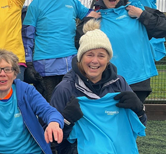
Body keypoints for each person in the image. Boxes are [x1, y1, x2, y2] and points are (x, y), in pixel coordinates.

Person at [51, 19, 147, 154]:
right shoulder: (65, 89)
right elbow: (52, 141)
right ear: (80, 57)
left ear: (108, 60)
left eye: (101, 55)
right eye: (89, 55)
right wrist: (66, 121)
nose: (95, 61)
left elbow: (139, 125)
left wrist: (139, 110)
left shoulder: (120, 83)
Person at [77, 0, 166, 103]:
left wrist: (142, 15)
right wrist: (87, 20)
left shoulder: (137, 10)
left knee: (135, 119)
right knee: (109, 120)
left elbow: (163, 28)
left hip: (137, 81)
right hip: (107, 81)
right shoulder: (96, 18)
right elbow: (78, 42)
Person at [0, 49, 63, 154]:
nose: (2, 74)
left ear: (15, 74)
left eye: (8, 69)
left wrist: (54, 122)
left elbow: (49, 111)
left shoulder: (26, 91)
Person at [22, 0, 100, 102]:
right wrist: (28, 63)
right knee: (49, 105)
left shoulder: (72, 1)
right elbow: (27, 36)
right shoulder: (37, 2)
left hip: (69, 63)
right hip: (44, 65)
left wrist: (106, 8)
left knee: (69, 103)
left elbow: (91, 16)